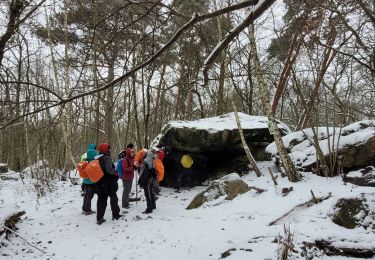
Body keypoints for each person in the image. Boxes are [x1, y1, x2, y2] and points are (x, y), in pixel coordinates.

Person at [95, 143, 121, 225]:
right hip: (109, 183)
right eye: (108, 148)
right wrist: (116, 172)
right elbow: (109, 170)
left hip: (100, 182)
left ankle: (99, 218)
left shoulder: (97, 158)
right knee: (113, 198)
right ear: (106, 149)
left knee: (101, 200)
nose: (109, 150)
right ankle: (116, 215)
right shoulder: (107, 158)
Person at [138, 149, 158, 214]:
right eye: (155, 153)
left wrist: (141, 180)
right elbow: (151, 170)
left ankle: (149, 209)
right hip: (149, 179)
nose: (156, 155)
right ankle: (153, 206)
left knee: (148, 193)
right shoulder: (150, 159)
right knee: (150, 192)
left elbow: (147, 171)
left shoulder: (148, 160)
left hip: (147, 180)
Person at [81, 143, 98, 215]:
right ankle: (88, 210)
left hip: (85, 179)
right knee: (90, 195)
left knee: (86, 195)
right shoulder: (95, 153)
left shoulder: (85, 155)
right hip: (91, 180)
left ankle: (84, 208)